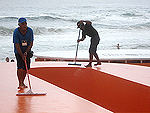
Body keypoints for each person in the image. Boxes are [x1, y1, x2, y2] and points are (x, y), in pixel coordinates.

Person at [13, 17, 34, 89]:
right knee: (20, 66)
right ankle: (20, 83)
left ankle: (23, 82)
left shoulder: (30, 30)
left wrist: (26, 52)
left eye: (25, 23)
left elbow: (31, 43)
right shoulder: (16, 32)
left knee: (26, 67)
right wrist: (22, 55)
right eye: (22, 24)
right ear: (19, 24)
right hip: (18, 51)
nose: (24, 25)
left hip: (27, 50)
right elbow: (16, 45)